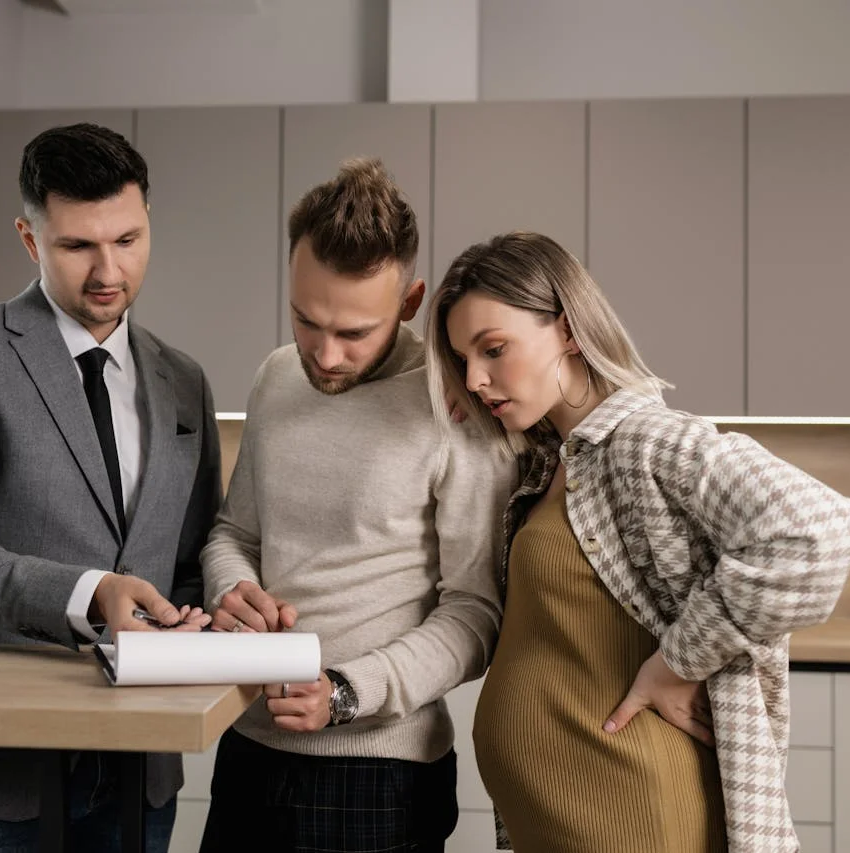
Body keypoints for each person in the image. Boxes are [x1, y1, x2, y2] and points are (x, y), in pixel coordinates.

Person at [426, 231, 850, 853]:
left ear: (569, 329)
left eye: (494, 350)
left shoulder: (644, 441)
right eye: (461, 359)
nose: (475, 378)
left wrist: (678, 661)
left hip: (629, 810)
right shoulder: (553, 462)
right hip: (567, 816)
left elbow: (816, 532)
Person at [0, 122, 221, 853]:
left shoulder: (184, 381)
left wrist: (212, 610)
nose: (109, 269)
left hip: (138, 768)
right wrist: (92, 592)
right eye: (78, 246)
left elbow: (192, 556)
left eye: (128, 240)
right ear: (30, 237)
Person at [197, 158, 514, 853]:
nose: (326, 354)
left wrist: (347, 690)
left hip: (379, 776)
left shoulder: (455, 407)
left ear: (410, 301)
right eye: (306, 320)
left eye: (354, 333)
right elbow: (234, 532)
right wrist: (235, 588)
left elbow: (475, 613)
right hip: (247, 745)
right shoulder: (276, 375)